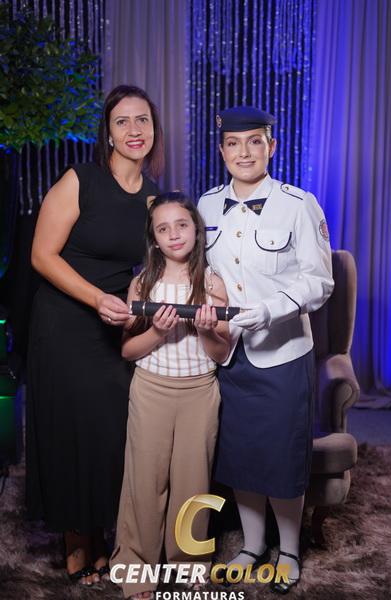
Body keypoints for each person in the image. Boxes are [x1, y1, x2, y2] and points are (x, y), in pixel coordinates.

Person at [26, 84, 164, 586]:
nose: (134, 130)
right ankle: (76, 540)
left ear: (154, 129)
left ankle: (103, 531)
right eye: (122, 121)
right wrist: (96, 299)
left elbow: (151, 267)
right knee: (71, 429)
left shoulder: (153, 197)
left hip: (114, 326)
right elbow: (41, 255)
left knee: (110, 430)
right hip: (65, 321)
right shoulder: (79, 180)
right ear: (108, 132)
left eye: (142, 120)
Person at [197, 106, 334, 594]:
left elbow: (319, 281)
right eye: (233, 144)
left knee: (281, 456)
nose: (244, 153)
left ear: (271, 147)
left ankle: (290, 550)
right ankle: (253, 546)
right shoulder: (206, 205)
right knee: (241, 455)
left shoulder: (299, 204)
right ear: (222, 151)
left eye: (255, 142)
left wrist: (272, 310)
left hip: (283, 353)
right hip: (227, 352)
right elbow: (198, 270)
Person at [110, 192, 230, 600]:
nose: (174, 234)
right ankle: (136, 569)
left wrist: (206, 329)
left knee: (193, 483)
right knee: (144, 482)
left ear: (196, 229)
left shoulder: (212, 283)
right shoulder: (142, 283)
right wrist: (158, 332)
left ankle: (190, 565)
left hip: (199, 393)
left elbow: (221, 354)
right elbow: (127, 351)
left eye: (181, 224)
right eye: (163, 229)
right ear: (154, 239)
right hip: (150, 391)